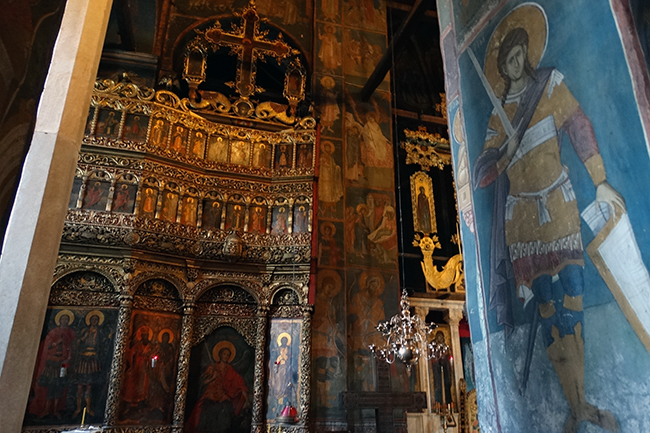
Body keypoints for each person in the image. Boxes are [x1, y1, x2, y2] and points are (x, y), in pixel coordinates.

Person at [472, 21, 623, 433]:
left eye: (519, 54)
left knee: (573, 296)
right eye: (508, 60)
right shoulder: (498, 115)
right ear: (503, 68)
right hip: (523, 222)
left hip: (558, 205)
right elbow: (482, 174)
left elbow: (579, 127)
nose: (516, 63)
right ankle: (576, 406)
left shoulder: (550, 86)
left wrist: (600, 180)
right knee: (547, 305)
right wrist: (505, 153)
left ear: (527, 53)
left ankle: (581, 399)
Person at [185, 345, 250, 433]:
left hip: (223, 394)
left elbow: (240, 382)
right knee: (209, 408)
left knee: (226, 407)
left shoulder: (229, 369)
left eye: (228, 355)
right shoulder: (212, 367)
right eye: (224, 354)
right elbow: (203, 382)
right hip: (211, 393)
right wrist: (213, 377)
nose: (226, 356)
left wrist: (246, 397)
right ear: (220, 355)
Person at [28, 310, 76, 419]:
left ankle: (56, 410)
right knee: (50, 385)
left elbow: (71, 348)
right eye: (63, 319)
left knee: (59, 386)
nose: (64, 321)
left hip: (62, 365)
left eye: (66, 319)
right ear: (59, 320)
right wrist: (56, 343)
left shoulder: (70, 333)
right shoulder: (53, 332)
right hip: (51, 364)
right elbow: (47, 346)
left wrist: (68, 358)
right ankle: (46, 410)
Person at [72, 311, 108, 418]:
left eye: (96, 320)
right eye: (92, 319)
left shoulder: (100, 332)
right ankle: (78, 408)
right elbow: (76, 343)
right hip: (83, 359)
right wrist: (82, 339)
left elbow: (103, 345)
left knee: (89, 385)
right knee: (80, 384)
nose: (94, 321)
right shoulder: (85, 331)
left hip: (93, 359)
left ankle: (88, 408)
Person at [121, 326, 155, 412]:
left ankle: (141, 403)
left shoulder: (151, 346)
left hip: (145, 368)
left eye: (146, 335)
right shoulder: (137, 346)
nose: (145, 337)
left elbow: (153, 358)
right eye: (143, 335)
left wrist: (151, 360)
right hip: (136, 367)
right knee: (133, 384)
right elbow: (130, 355)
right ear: (141, 336)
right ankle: (131, 403)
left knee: (143, 386)